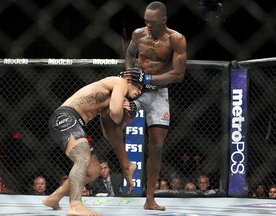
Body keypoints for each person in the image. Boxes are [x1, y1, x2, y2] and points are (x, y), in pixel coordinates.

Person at [42, 75, 142, 216]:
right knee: (82, 156)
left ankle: (54, 198)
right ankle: (75, 205)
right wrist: (123, 112)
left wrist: (127, 118)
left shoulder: (109, 101)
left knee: (93, 170)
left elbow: (109, 133)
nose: (139, 92)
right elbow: (115, 112)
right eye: (139, 87)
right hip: (65, 117)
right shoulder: (120, 82)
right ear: (130, 81)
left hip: (75, 123)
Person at [122, 1, 187, 211]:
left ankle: (149, 199)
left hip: (158, 93)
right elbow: (130, 55)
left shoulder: (176, 40)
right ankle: (123, 165)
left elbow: (178, 74)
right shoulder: (138, 35)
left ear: (164, 20)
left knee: (156, 147)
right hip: (137, 90)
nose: (148, 25)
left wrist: (147, 77)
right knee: (112, 118)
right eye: (145, 21)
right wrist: (132, 77)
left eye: (152, 22)